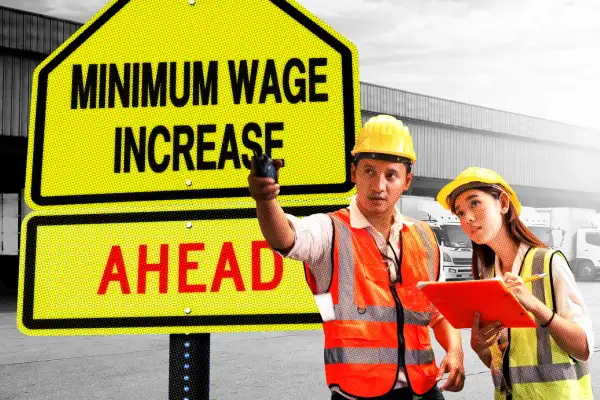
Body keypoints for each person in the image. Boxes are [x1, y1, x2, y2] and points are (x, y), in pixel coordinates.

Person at [248, 115, 465, 400]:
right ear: (354, 173)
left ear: (407, 180)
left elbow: (439, 311)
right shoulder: (330, 231)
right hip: (358, 395)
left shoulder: (425, 237)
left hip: (423, 390)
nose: (379, 185)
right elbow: (287, 238)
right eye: (369, 171)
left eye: (391, 174)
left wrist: (455, 349)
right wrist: (266, 200)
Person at [436, 167, 594, 400]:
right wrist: (479, 347)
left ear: (502, 203)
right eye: (459, 213)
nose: (467, 218)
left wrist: (534, 305)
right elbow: (498, 363)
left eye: (475, 204)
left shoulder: (548, 263)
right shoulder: (488, 276)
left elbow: (584, 348)